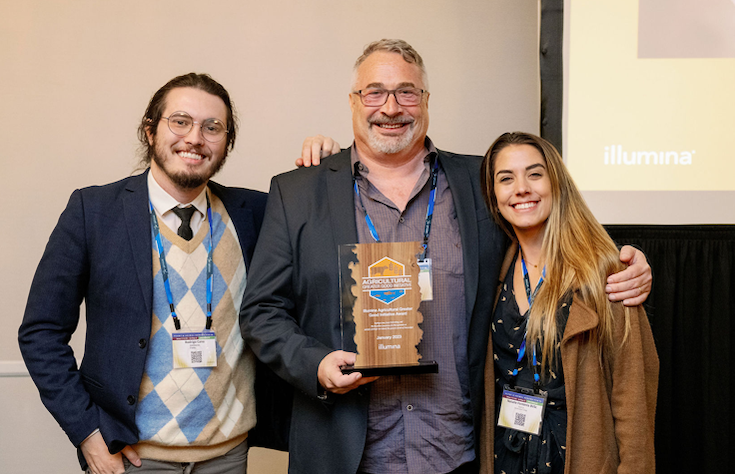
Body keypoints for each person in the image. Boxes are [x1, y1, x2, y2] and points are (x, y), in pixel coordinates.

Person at [240, 39, 651, 474]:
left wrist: (625, 262)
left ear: (426, 101)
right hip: (345, 454)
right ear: (353, 102)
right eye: (375, 92)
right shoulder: (300, 192)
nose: (392, 107)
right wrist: (316, 365)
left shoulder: (481, 183)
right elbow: (262, 311)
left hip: (460, 453)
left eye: (407, 92)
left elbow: (551, 234)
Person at [18, 73, 271, 474]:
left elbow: (329, 202)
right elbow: (40, 333)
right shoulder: (93, 212)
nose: (195, 138)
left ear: (227, 141)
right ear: (150, 130)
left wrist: (325, 159)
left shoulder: (256, 214)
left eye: (213, 127)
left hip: (229, 456)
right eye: (181, 121)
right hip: (133, 458)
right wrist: (88, 435)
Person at [478, 132, 658, 473]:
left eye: (534, 174)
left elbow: (633, 396)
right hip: (508, 454)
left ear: (556, 183)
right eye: (506, 178)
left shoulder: (605, 272)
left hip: (575, 456)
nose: (521, 188)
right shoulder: (491, 270)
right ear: (493, 193)